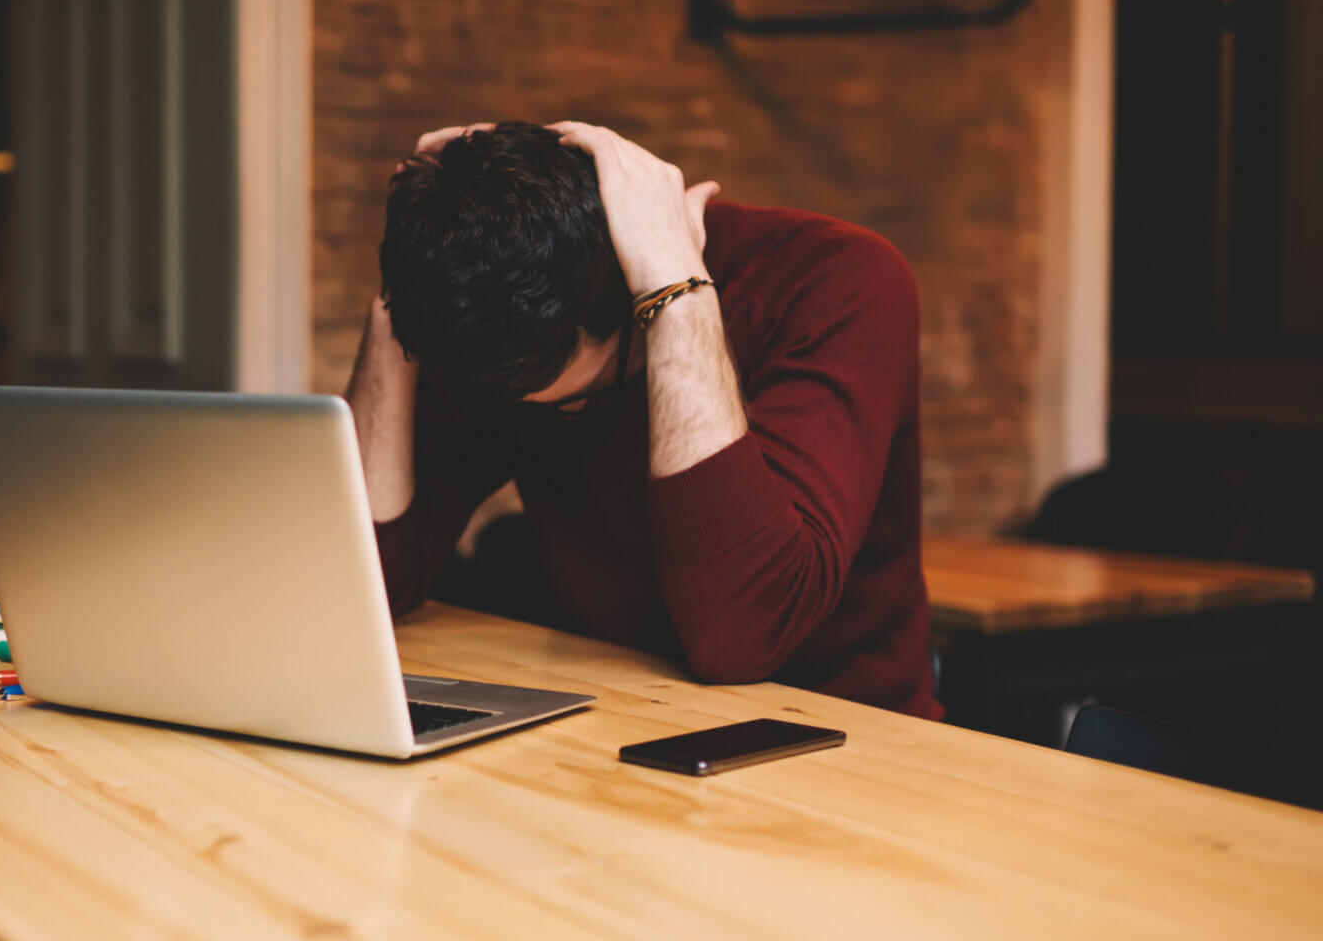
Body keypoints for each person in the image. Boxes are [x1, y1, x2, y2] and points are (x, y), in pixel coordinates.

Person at [344, 121, 940, 719]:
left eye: (575, 401)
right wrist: (402, 286)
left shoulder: (841, 279)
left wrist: (676, 293)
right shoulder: (503, 308)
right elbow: (365, 586)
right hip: (619, 714)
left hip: (851, 735)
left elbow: (742, 637)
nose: (563, 416)